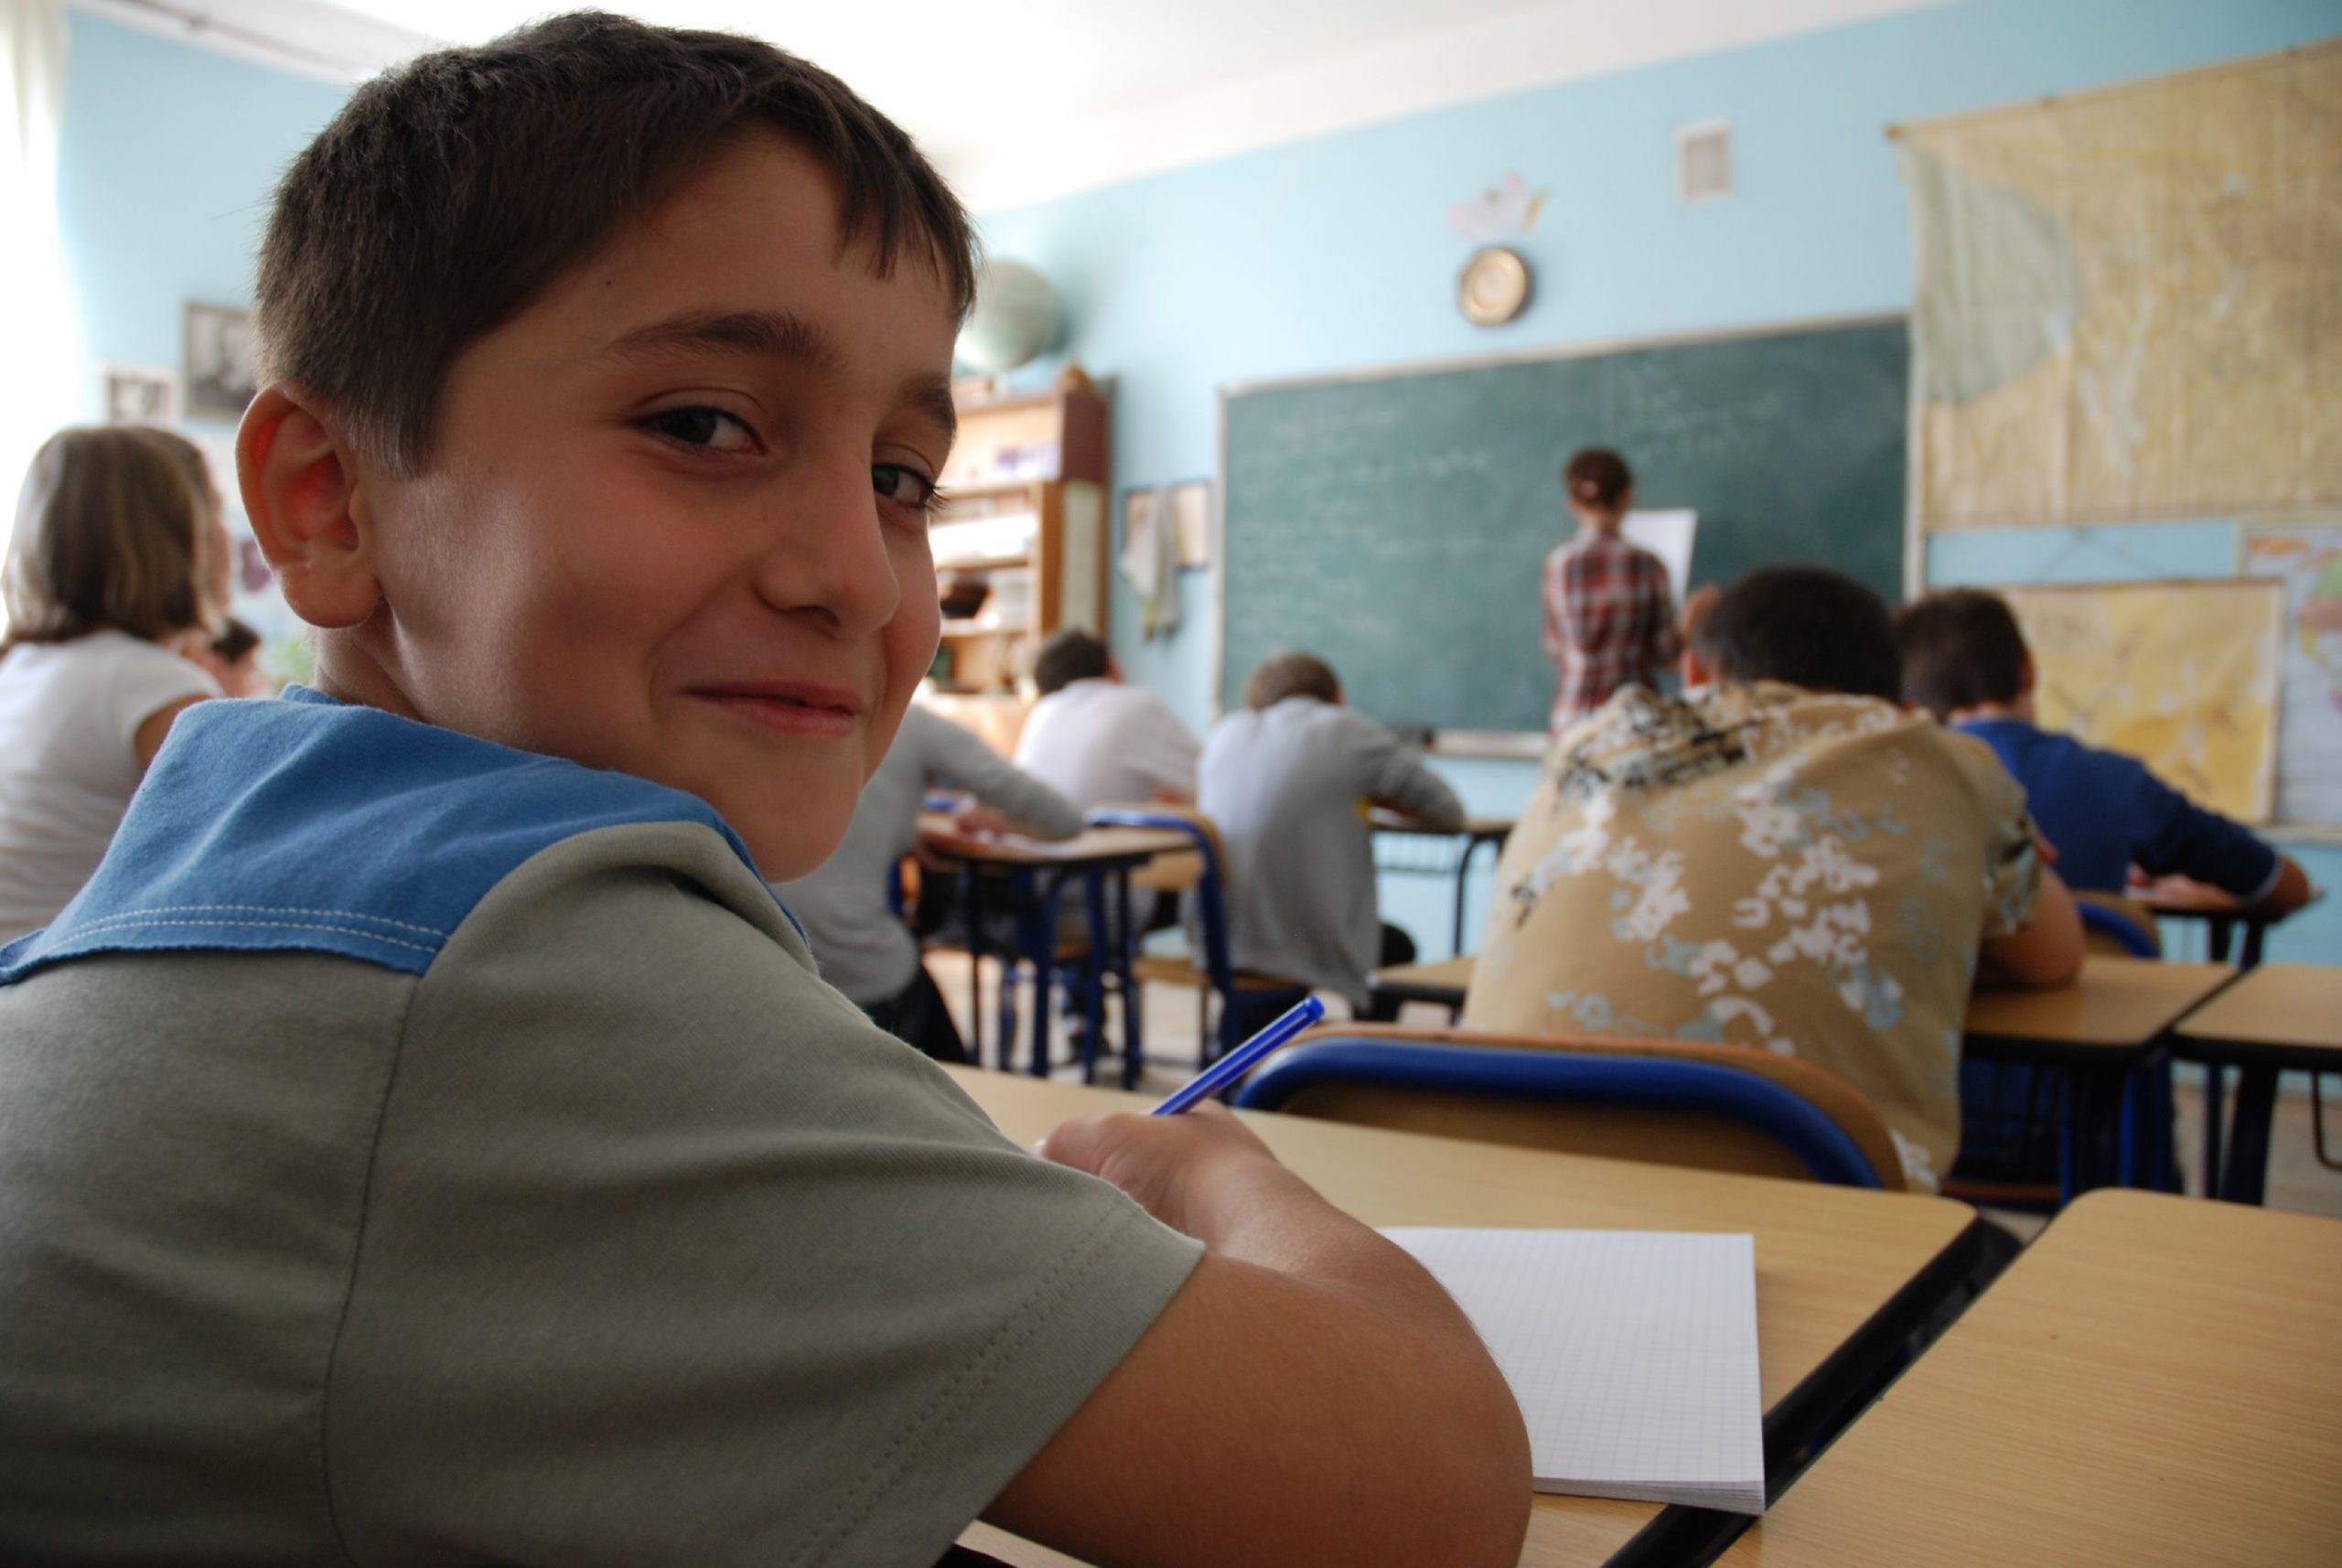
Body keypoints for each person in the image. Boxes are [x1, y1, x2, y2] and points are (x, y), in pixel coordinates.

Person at [0, 16, 1530, 1565]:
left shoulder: (237, 854)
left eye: (902, 477)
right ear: (331, 501)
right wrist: (1211, 1167)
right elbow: (1429, 1491)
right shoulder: (538, 977)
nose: (859, 576)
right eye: (703, 424)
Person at [1465, 565, 2084, 1192]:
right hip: (1791, 1228)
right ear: (1895, 699)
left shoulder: (1588, 744)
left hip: (1485, 1192)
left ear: (1699, 673)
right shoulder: (1940, 761)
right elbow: (2054, 957)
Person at [1895, 588, 2313, 914]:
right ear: (2029, 670)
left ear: (1905, 696)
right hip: (2090, 1008)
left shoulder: (1896, 786)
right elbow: (2286, 885)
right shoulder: (2117, 782)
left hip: (1949, 1014)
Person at [0, 426, 226, 943]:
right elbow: (227, 874)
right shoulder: (156, 688)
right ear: (176, 539)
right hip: (40, 987)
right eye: (211, 511)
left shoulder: (21, 666)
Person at [776, 703, 1083, 1063]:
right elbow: (1065, 820)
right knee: (952, 1083)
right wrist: (992, 823)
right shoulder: (911, 722)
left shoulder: (733, 703)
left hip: (748, 962)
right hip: (850, 964)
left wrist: (902, 829)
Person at [1199, 651, 1464, 1015]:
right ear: (1337, 697)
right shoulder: (1348, 730)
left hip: (1217, 937)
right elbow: (1446, 810)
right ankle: (1367, 1057)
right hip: (1299, 940)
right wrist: (1378, 800)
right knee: (1396, 949)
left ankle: (1253, 1034)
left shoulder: (1225, 733)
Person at [1542, 446, 1684, 732]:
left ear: (1572, 503)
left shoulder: (1558, 564)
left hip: (1573, 721)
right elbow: (1668, 656)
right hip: (1634, 722)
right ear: (1627, 497)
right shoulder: (1647, 564)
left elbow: (1555, 649)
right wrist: (1693, 618)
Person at [1012, 628, 1201, 810]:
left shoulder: (1041, 712)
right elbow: (1208, 778)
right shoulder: (1137, 705)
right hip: (1096, 840)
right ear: (1112, 663)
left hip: (1026, 841)